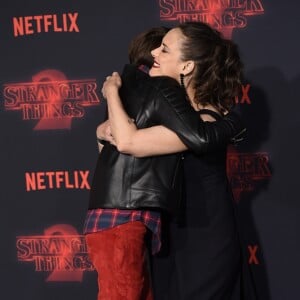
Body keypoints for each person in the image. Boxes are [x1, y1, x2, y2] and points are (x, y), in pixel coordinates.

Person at [84, 23, 244, 300]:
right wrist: (100, 132)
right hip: (167, 233)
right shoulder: (166, 110)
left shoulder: (206, 119)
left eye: (165, 49)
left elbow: (129, 142)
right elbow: (118, 158)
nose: (155, 52)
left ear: (187, 67)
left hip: (203, 239)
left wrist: (111, 93)